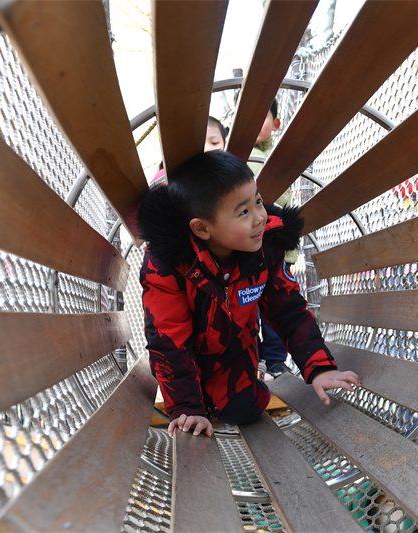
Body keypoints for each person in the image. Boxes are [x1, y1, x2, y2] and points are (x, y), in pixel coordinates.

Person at [138, 150, 361, 437]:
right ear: (202, 228)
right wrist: (186, 409)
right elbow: (169, 341)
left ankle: (221, 400)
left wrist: (318, 367)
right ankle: (198, 403)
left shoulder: (265, 247)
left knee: (246, 409)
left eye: (257, 201)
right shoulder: (168, 265)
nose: (259, 217)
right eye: (244, 212)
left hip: (233, 352)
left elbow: (288, 310)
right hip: (186, 356)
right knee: (193, 421)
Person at [247, 99, 296, 379]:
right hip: (248, 250)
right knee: (249, 309)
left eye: (261, 118)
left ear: (276, 124)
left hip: (275, 247)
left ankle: (276, 360)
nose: (254, 125)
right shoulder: (236, 156)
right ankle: (253, 360)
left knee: (275, 308)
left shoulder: (278, 154)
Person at [150, 116, 229, 185]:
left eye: (214, 143)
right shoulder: (164, 177)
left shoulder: (230, 173)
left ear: (224, 144)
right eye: (196, 144)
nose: (207, 149)